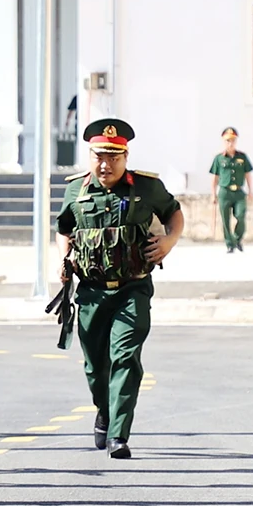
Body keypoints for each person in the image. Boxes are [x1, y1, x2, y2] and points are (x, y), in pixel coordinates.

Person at [55, 119, 184, 460]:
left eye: (113, 157)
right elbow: (63, 229)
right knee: (95, 365)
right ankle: (104, 409)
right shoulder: (76, 191)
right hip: (91, 292)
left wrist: (168, 242)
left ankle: (119, 435)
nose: (105, 164)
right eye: (99, 156)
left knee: (125, 357)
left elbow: (175, 214)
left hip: (133, 288)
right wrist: (63, 258)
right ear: (90, 155)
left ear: (125, 156)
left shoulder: (146, 187)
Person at [208, 127, 253, 252]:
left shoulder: (242, 157)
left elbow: (248, 174)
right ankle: (230, 244)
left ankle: (237, 239)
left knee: (240, 215)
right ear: (224, 142)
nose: (230, 143)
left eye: (232, 140)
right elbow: (215, 178)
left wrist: (250, 191)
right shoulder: (219, 158)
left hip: (238, 192)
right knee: (225, 220)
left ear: (236, 141)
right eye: (227, 140)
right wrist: (213, 194)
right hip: (224, 192)